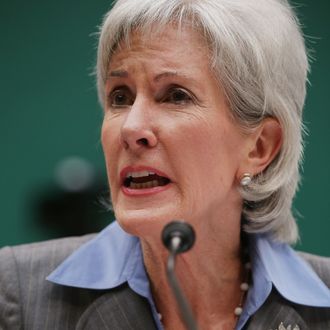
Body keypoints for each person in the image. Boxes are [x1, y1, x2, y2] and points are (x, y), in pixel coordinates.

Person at [1, 0, 329, 329]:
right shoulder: (18, 295)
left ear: (260, 147)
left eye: (175, 95)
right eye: (120, 97)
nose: (131, 129)